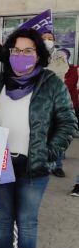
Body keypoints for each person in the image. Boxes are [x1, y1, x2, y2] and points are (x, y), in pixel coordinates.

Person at [0, 28, 76, 248]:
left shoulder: (51, 83)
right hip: (0, 164)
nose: (21, 55)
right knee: (2, 221)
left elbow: (68, 123)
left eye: (28, 50)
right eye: (16, 50)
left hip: (34, 166)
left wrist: (47, 153)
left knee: (27, 222)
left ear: (38, 54)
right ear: (9, 53)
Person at [51, 49, 77, 177]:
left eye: (63, 57)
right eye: (58, 56)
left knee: (60, 134)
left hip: (64, 106)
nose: (60, 59)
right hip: (49, 105)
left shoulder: (71, 71)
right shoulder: (49, 68)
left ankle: (58, 166)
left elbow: (69, 86)